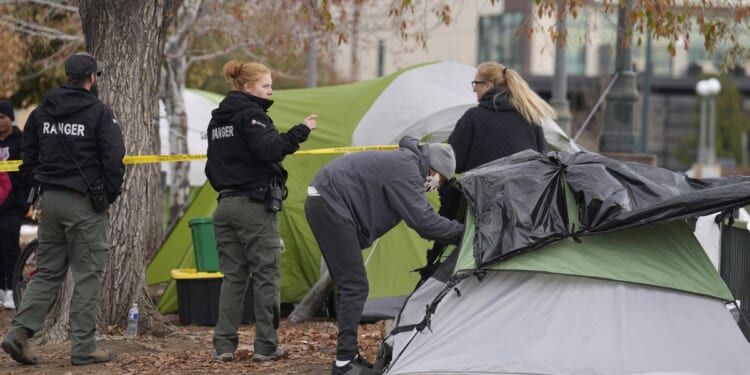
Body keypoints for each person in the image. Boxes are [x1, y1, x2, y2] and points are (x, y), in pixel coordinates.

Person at [2, 52, 125, 366]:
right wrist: (107, 195)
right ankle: (83, 346)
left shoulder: (43, 111)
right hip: (83, 203)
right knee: (88, 275)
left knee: (47, 273)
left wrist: (39, 181)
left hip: (49, 200)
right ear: (91, 78)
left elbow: (27, 155)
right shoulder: (99, 112)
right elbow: (113, 158)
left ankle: (18, 333)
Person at [304, 136, 465, 375]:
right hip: (330, 204)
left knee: (351, 284)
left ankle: (349, 357)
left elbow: (421, 218)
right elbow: (424, 223)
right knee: (355, 285)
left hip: (325, 201)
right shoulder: (407, 169)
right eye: (440, 181)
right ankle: (344, 364)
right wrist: (466, 233)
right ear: (434, 169)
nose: (436, 186)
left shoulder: (405, 164)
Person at [206, 60, 317, 363]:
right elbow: (270, 149)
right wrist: (301, 131)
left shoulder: (218, 121)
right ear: (247, 87)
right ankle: (266, 346)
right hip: (254, 207)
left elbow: (210, 166)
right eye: (266, 86)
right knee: (267, 277)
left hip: (225, 206)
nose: (271, 91)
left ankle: (223, 346)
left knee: (233, 279)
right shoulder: (252, 115)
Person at [0, 100, 29, 310]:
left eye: (2, 117)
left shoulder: (21, 142)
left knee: (10, 246)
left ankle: (12, 287)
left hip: (12, 207)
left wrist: (22, 203)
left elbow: (27, 173)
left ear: (11, 118)